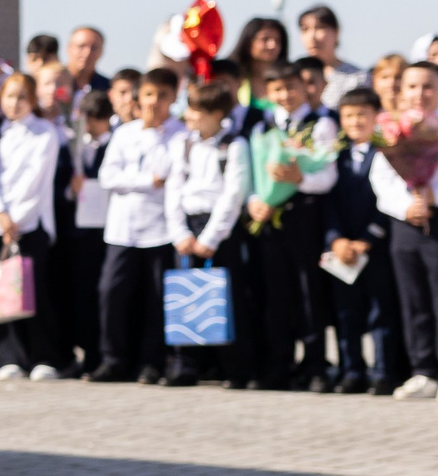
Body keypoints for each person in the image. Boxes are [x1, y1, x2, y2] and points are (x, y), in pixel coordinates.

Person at [245, 62, 337, 389]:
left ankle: (315, 367)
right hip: (268, 220)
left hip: (305, 217)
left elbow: (328, 175)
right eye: (278, 90)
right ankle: (279, 364)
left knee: (309, 291)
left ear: (304, 88)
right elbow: (251, 172)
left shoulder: (321, 124)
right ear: (269, 93)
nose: (286, 95)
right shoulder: (261, 128)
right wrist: (255, 200)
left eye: (291, 87)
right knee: (276, 293)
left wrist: (301, 179)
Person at [163, 80, 255, 386]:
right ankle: (186, 364)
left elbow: (234, 194)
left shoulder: (235, 145)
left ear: (216, 113)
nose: (188, 116)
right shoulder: (183, 144)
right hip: (188, 227)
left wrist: (211, 238)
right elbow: (173, 189)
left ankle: (234, 367)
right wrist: (179, 233)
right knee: (185, 296)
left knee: (226, 297)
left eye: (195, 110)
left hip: (220, 230)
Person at [93, 67, 180, 382]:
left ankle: (151, 362)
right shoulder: (124, 133)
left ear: (174, 98)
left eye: (162, 96)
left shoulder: (178, 134)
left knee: (155, 298)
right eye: (148, 95)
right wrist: (145, 180)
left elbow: (169, 173)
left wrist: (156, 134)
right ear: (137, 97)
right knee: (111, 292)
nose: (154, 102)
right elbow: (107, 176)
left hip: (160, 229)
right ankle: (114, 358)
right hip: (122, 229)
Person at [0, 72, 67, 381]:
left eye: (22, 97)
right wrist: (0, 214)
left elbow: (37, 180)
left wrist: (16, 219)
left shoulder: (45, 133)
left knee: (34, 292)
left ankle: (43, 355)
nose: (15, 103)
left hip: (30, 224)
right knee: (3, 291)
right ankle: (9, 355)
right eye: (9, 96)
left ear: (33, 101)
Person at [324, 87, 402, 394]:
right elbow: (327, 203)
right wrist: (336, 239)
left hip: (376, 247)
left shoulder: (389, 152)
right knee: (346, 311)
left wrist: (369, 238)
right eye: (348, 115)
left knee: (380, 309)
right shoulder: (334, 157)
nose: (355, 121)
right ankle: (351, 370)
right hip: (342, 250)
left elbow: (390, 199)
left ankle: (384, 371)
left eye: (362, 114)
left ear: (376, 117)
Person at [384, 62, 438, 400]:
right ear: (401, 92)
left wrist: (432, 196)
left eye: (428, 86)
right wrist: (406, 206)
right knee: (414, 298)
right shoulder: (387, 128)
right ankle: (423, 370)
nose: (420, 94)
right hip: (405, 225)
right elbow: (380, 179)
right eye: (413, 87)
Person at [64, 87, 116, 376]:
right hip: (82, 231)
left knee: (106, 294)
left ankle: (108, 352)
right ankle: (89, 354)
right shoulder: (75, 146)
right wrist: (71, 190)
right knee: (82, 294)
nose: (93, 124)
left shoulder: (117, 143)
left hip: (109, 230)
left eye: (98, 118)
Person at [300, 5, 366, 104]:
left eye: (319, 28)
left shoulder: (357, 78)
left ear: (336, 32)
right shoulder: (294, 75)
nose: (312, 36)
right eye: (305, 29)